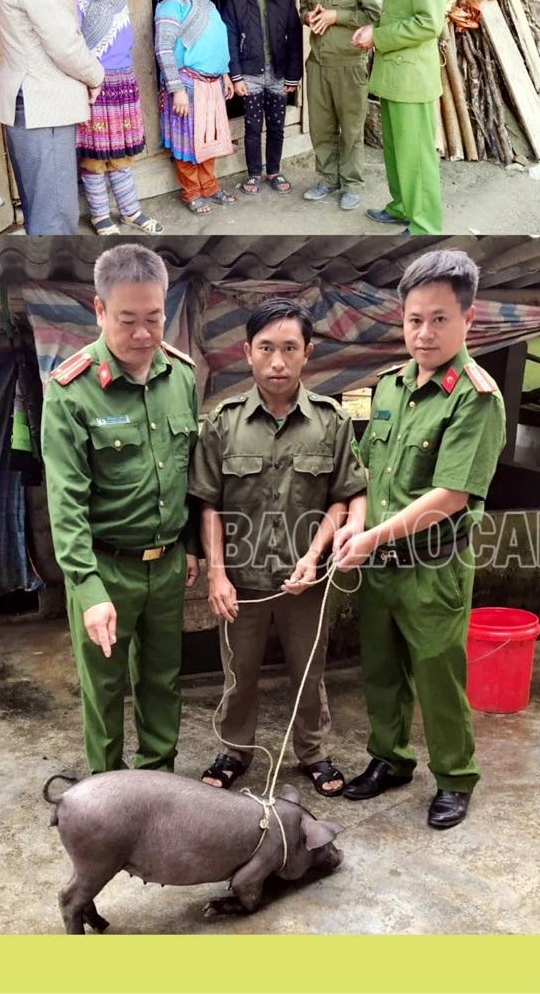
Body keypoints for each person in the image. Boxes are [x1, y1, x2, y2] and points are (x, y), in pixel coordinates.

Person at [332, 250, 505, 829]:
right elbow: (366, 471)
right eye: (413, 319)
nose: (424, 333)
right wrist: (356, 526)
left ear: (468, 319)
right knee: (380, 671)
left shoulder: (475, 398)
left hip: (432, 566)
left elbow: (449, 496)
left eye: (439, 319)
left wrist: (371, 535)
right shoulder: (388, 388)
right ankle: (390, 760)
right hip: (378, 564)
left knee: (437, 675)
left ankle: (455, 777)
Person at [188, 298, 367, 796]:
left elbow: (341, 498)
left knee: (308, 670)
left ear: (307, 352)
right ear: (247, 352)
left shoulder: (331, 421)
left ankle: (312, 752)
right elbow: (208, 506)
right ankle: (234, 750)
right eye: (266, 348)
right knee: (238, 673)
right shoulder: (222, 423)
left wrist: (313, 558)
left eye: (290, 348)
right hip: (240, 582)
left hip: (304, 582)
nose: (277, 362)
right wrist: (216, 574)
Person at [40, 244, 202, 773]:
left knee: (163, 679)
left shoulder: (180, 376)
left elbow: (189, 472)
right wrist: (86, 589)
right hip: (105, 568)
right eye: (127, 319)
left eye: (154, 318)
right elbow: (66, 502)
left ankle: (158, 783)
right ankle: (106, 793)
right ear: (99, 311)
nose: (143, 334)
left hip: (168, 564)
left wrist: (193, 546)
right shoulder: (70, 390)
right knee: (105, 688)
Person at [0, 0, 106, 235]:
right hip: (45, 106)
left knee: (40, 214)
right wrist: (95, 75)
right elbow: (63, 44)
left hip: (27, 100)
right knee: (55, 221)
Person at [352, 0, 446, 235]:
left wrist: (378, 37)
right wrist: (371, 30)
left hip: (412, 79)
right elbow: (396, 17)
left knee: (417, 157)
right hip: (394, 75)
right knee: (396, 152)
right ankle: (403, 206)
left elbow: (428, 23)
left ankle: (425, 224)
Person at [70, 0, 162, 236]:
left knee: (121, 154)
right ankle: (99, 216)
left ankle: (130, 210)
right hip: (95, 85)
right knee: (95, 156)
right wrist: (87, 81)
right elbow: (73, 47)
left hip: (123, 83)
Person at [301, 0, 383, 211]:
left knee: (350, 129)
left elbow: (375, 16)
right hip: (318, 64)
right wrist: (309, 17)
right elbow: (304, 9)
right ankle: (327, 178)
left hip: (350, 65)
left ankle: (351, 183)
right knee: (321, 128)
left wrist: (339, 16)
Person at [154, 0, 234, 215]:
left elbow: (217, 43)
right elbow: (164, 49)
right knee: (187, 141)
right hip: (186, 85)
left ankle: (210, 186)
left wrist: (224, 74)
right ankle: (191, 192)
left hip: (212, 85)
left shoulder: (207, 4)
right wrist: (176, 90)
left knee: (208, 138)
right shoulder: (171, 5)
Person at [222, 0, 302, 197]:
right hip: (249, 73)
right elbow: (230, 39)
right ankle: (254, 173)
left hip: (278, 73)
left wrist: (293, 75)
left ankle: (274, 171)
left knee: (277, 125)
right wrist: (235, 76)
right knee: (253, 126)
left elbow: (295, 36)